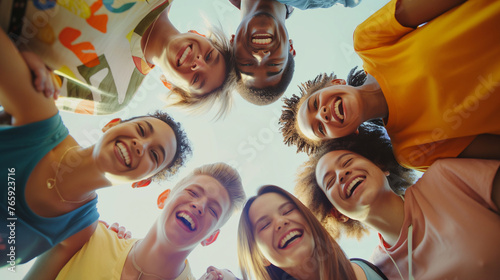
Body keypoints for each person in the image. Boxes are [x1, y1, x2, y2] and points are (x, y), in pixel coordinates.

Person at [0, 29, 191, 266]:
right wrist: (21, 55)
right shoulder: (40, 115)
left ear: (142, 181)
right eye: (141, 130)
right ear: (111, 124)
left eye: (154, 154)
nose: (140, 145)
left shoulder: (80, 230)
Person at [280, 0, 500, 171]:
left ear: (336, 83)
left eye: (315, 104)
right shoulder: (412, 152)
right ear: (347, 135)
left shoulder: (369, 42)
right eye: (320, 128)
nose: (323, 114)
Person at [296, 123, 500, 279]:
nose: (342, 174)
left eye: (347, 161)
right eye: (330, 181)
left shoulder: (445, 178)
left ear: (381, 165)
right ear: (338, 213)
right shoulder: (378, 271)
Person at [1, 0, 235, 116]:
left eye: (197, 80)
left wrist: (23, 69)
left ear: (170, 85)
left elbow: (22, 96)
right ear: (199, 34)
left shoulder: (113, 95)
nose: (198, 63)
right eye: (210, 55)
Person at [25, 163, 246, 280]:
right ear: (164, 198)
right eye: (193, 193)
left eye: (213, 211)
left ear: (212, 238)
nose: (199, 206)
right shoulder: (89, 236)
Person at [238, 185, 388, 280]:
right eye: (265, 225)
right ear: (261, 257)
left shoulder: (366, 268)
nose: (280, 222)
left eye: (288, 210)